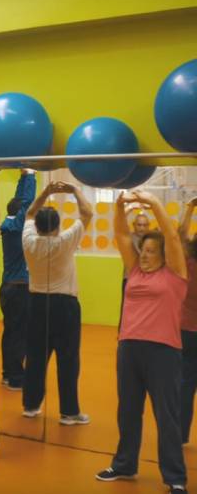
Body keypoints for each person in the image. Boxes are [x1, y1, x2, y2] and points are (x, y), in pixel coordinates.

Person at [96, 191, 187, 494]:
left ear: (163, 254)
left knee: (167, 416)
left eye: (151, 250)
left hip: (163, 351)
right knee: (128, 411)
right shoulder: (134, 269)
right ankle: (124, 465)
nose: (145, 254)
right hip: (130, 348)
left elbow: (173, 238)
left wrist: (154, 204)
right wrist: (120, 206)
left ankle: (174, 477)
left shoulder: (175, 273)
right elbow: (121, 233)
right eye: (143, 250)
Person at [21, 181, 92, 425]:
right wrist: (73, 190)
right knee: (68, 358)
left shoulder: (29, 241)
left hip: (36, 303)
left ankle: (30, 405)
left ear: (38, 226)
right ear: (58, 226)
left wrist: (46, 192)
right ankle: (69, 412)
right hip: (65, 306)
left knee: (36, 356)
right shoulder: (65, 241)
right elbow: (88, 213)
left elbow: (30, 213)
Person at [0, 169, 36, 390]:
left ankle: (8, 372)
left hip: (10, 288)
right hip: (18, 289)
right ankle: (15, 377)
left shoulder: (10, 224)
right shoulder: (17, 227)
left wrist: (22, 178)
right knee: (18, 334)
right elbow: (28, 203)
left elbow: (22, 202)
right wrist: (30, 175)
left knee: (11, 331)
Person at [178, 197, 197, 445]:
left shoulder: (186, 265)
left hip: (186, 331)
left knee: (185, 385)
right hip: (187, 330)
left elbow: (179, 235)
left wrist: (190, 208)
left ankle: (181, 434)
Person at [119, 212, 150, 329]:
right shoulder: (128, 238)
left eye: (144, 225)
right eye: (139, 225)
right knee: (126, 310)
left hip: (148, 280)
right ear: (134, 225)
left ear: (148, 226)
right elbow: (120, 228)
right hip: (130, 279)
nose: (142, 228)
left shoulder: (152, 241)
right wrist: (127, 210)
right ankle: (122, 336)